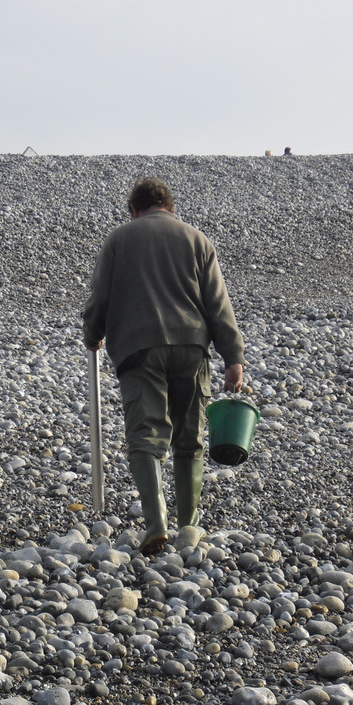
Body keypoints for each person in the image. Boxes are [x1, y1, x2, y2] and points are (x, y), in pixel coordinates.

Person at [82, 177, 245, 555]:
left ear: (134, 210)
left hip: (139, 349)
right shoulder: (196, 239)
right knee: (189, 438)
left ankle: (156, 526)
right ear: (170, 207)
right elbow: (218, 304)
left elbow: (100, 296)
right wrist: (233, 357)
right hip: (191, 346)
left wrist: (93, 334)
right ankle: (190, 526)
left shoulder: (119, 240)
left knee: (146, 437)